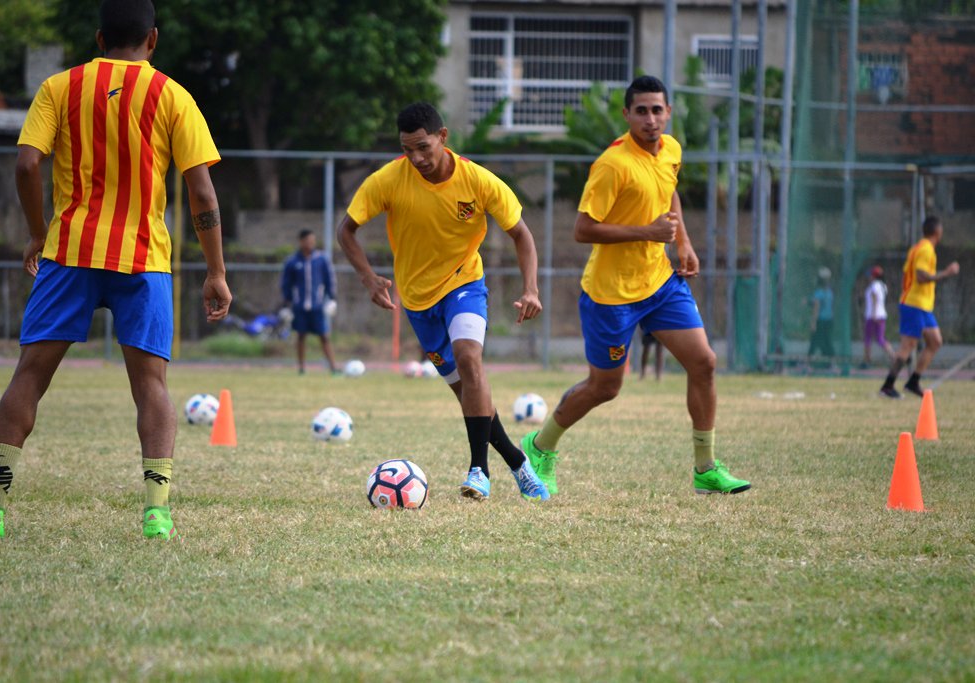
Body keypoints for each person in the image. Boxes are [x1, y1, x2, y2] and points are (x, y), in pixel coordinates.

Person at [0, 0, 231, 542]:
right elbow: (202, 190)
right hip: (143, 260)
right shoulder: (172, 95)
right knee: (150, 386)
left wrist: (39, 232)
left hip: (69, 254)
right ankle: (156, 514)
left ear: (101, 37)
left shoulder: (61, 87)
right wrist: (215, 271)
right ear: (152, 39)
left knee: (29, 376)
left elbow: (26, 163)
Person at [519, 75, 750, 497]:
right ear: (626, 115)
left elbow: (669, 192)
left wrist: (683, 243)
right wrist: (647, 231)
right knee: (605, 387)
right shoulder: (612, 164)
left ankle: (705, 468)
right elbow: (582, 229)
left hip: (660, 282)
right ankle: (540, 445)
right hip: (611, 296)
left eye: (657, 109)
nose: (650, 118)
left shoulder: (672, 149)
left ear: (668, 112)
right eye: (640, 110)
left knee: (704, 363)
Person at [337, 102, 549, 501]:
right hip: (418, 300)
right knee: (468, 391)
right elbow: (346, 231)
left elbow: (521, 234)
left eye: (423, 147)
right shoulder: (388, 180)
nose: (416, 158)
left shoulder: (479, 181)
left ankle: (478, 471)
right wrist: (368, 278)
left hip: (465, 284)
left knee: (470, 359)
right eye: (407, 149)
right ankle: (519, 464)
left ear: (443, 137)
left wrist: (531, 288)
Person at [880, 216, 960, 398]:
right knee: (908, 345)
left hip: (923, 306)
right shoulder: (925, 249)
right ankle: (888, 385)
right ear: (937, 232)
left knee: (935, 342)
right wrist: (947, 273)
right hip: (913, 304)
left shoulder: (921, 248)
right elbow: (921, 276)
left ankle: (913, 381)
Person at [281, 229, 339, 374]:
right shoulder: (293, 261)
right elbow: (286, 283)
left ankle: (333, 368)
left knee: (324, 336)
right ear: (301, 241)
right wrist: (286, 304)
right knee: (301, 336)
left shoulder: (321, 260)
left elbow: (329, 280)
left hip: (317, 305)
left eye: (312, 241)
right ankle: (301, 368)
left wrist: (332, 298)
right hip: (300, 306)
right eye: (307, 241)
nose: (310, 244)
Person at [862, 265, 893, 367]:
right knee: (880, 339)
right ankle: (894, 357)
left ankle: (867, 360)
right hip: (881, 315)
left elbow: (875, 299)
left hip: (873, 316)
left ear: (874, 276)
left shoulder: (874, 285)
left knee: (868, 338)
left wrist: (874, 314)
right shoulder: (883, 286)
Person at [807, 267, 835, 361]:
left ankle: (809, 361)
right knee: (826, 341)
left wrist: (813, 322)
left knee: (815, 340)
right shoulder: (830, 292)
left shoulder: (819, 292)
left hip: (821, 320)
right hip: (829, 320)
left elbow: (816, 307)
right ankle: (829, 362)